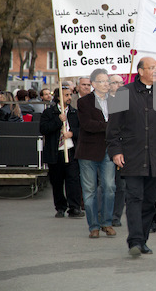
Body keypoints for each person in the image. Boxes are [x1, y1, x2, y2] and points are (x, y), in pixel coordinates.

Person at [107, 57, 156, 257]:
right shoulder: (124, 93)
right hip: (132, 155)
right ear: (140, 71)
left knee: (150, 201)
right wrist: (116, 151)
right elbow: (113, 128)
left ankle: (142, 241)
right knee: (134, 198)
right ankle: (134, 240)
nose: (155, 71)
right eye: (151, 68)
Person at [75, 68, 116, 239]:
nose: (106, 84)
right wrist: (108, 126)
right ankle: (94, 225)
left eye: (107, 81)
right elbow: (87, 125)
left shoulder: (116, 101)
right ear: (93, 84)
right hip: (88, 151)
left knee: (110, 187)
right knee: (90, 190)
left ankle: (107, 222)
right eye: (102, 81)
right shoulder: (84, 102)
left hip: (109, 150)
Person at [40, 86, 83, 218]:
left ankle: (74, 207)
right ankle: (60, 207)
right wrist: (59, 120)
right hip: (55, 151)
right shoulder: (49, 113)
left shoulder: (74, 113)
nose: (69, 97)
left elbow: (81, 130)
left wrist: (71, 133)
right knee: (57, 181)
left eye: (70, 95)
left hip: (70, 151)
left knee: (73, 180)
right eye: (66, 95)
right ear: (59, 97)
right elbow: (44, 129)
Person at [108, 74, 126, 227]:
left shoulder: (127, 102)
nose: (119, 86)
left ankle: (116, 216)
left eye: (122, 83)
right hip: (105, 149)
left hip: (123, 148)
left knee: (121, 186)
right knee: (106, 185)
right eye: (116, 83)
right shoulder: (103, 101)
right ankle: (104, 213)